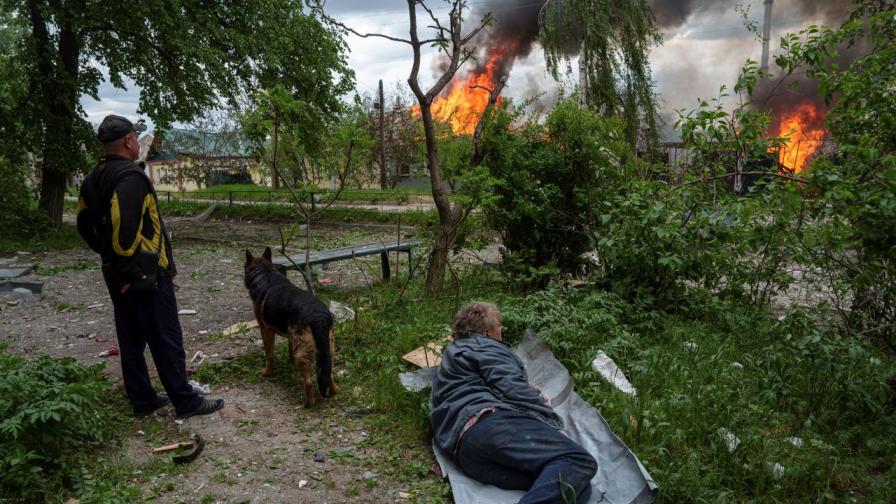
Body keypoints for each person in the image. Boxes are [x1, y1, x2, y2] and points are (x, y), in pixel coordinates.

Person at [77, 114, 224, 419]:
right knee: (166, 338)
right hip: (145, 276)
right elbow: (123, 231)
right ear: (129, 141)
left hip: (116, 273)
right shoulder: (131, 178)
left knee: (131, 339)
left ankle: (143, 399)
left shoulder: (93, 177)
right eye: (135, 136)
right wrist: (131, 271)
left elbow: (83, 223)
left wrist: (106, 257)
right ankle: (186, 401)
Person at [430, 301, 597, 504]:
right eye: (499, 328)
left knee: (574, 486)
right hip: (488, 426)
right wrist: (552, 422)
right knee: (579, 460)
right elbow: (513, 388)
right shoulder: (485, 346)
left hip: (466, 452)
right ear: (487, 332)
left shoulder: (453, 354)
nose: (501, 334)